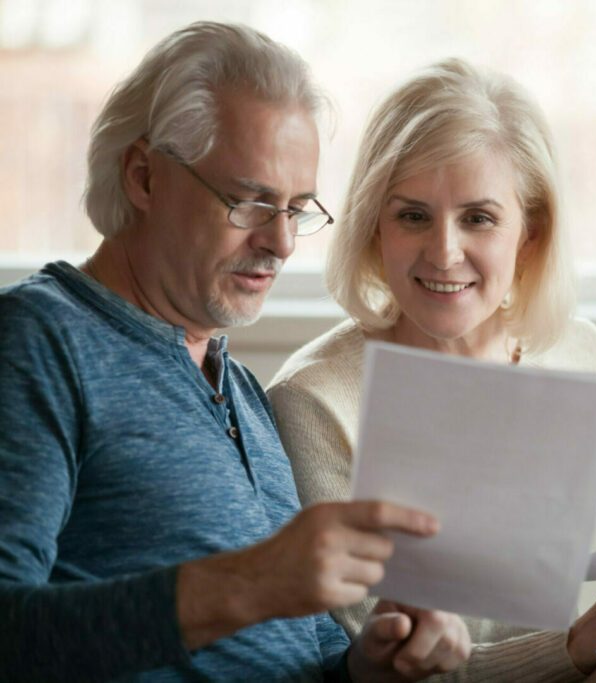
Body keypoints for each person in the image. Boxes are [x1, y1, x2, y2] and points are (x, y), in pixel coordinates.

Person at [0, 22, 471, 682]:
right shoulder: (38, 342)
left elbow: (296, 659)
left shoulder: (243, 389)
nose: (281, 242)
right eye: (251, 201)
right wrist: (248, 582)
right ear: (144, 176)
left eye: (298, 208)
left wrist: (370, 663)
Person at [267, 58, 596, 680]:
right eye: (412, 215)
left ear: (531, 233)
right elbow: (384, 669)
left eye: (479, 218)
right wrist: (578, 646)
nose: (444, 251)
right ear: (373, 228)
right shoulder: (315, 401)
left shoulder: (580, 355)